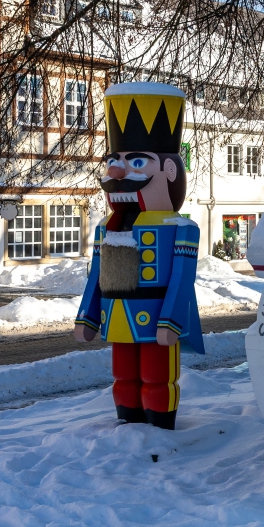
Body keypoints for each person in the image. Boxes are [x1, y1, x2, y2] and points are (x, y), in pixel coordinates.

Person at [74, 82, 203, 430]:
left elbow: (181, 279)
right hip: (117, 315)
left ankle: (159, 428)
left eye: (136, 162)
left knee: (157, 376)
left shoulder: (180, 228)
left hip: (156, 316)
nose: (117, 172)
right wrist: (88, 315)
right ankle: (128, 425)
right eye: (113, 161)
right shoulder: (108, 227)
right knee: (124, 376)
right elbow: (97, 275)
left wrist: (171, 320)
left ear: (170, 172)